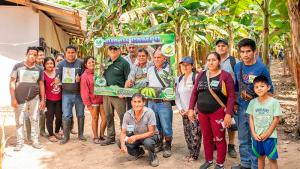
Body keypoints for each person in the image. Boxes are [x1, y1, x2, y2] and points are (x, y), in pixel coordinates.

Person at [188, 52, 235, 169]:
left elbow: (231, 97)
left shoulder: (226, 76)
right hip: (202, 113)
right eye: (208, 60)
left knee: (219, 138)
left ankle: (219, 163)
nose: (211, 62)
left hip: (218, 112)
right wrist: (190, 109)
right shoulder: (201, 75)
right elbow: (194, 93)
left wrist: (228, 114)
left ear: (219, 61)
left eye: (214, 60)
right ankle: (208, 160)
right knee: (207, 138)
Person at [232, 38, 274, 169]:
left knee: (256, 139)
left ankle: (255, 166)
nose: (245, 54)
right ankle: (245, 164)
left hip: (256, 109)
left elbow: (270, 90)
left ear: (254, 51)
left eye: (248, 51)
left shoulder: (261, 68)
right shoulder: (237, 66)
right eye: (242, 52)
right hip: (241, 107)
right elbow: (236, 87)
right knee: (243, 138)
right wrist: (234, 102)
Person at [10, 46, 45, 151]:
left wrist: (42, 99)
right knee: (19, 121)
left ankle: (35, 141)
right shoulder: (18, 66)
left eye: (35, 54)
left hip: (34, 99)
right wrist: (13, 99)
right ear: (26, 54)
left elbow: (41, 84)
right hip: (19, 99)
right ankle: (19, 143)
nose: (33, 56)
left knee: (35, 120)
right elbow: (12, 82)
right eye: (31, 54)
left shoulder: (39, 69)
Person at [247, 75, 281, 169]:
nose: (259, 89)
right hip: (257, 137)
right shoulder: (252, 102)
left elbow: (276, 119)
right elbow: (251, 118)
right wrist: (253, 133)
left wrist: (267, 133)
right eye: (256, 87)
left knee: (272, 159)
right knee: (260, 157)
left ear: (268, 87)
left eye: (262, 86)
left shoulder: (274, 102)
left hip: (270, 137)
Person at [55, 45, 86, 144]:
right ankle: (66, 136)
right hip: (66, 94)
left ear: (76, 53)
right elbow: (58, 78)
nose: (71, 54)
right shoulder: (61, 64)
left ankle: (80, 134)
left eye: (73, 52)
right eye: (68, 52)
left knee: (80, 114)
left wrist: (80, 79)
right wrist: (57, 80)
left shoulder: (80, 63)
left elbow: (86, 76)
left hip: (79, 94)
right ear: (65, 53)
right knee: (66, 115)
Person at [101, 44, 130, 146]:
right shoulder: (105, 62)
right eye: (111, 48)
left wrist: (124, 92)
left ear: (119, 50)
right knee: (108, 116)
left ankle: (124, 137)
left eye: (115, 48)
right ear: (108, 51)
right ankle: (110, 137)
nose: (113, 50)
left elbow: (128, 79)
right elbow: (101, 76)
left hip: (119, 96)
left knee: (123, 117)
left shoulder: (124, 63)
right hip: (106, 94)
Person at [120, 93, 160, 167]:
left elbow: (151, 132)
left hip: (151, 136)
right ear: (131, 102)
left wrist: (135, 137)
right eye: (134, 102)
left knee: (148, 142)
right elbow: (123, 132)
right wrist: (122, 144)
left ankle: (153, 157)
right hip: (136, 135)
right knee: (121, 141)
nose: (137, 104)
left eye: (139, 101)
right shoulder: (127, 114)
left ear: (144, 102)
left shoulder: (149, 112)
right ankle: (138, 152)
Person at [147, 48, 173, 158]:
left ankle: (167, 145)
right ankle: (159, 143)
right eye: (155, 57)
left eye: (159, 57)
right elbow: (148, 84)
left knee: (166, 125)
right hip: (151, 102)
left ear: (164, 58)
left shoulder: (169, 70)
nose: (156, 59)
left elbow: (173, 85)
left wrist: (170, 96)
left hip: (164, 103)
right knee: (156, 125)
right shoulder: (150, 70)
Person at [175, 56, 201, 162]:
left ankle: (195, 155)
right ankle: (191, 152)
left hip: (195, 112)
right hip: (183, 112)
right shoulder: (179, 78)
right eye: (183, 65)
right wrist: (181, 109)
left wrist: (194, 110)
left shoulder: (196, 77)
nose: (185, 67)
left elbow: (200, 95)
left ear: (192, 66)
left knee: (195, 134)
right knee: (187, 134)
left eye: (187, 65)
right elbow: (177, 96)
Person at [215, 39, 239, 158]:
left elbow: (239, 80)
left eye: (223, 46)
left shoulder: (234, 61)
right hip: (214, 98)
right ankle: (218, 142)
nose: (221, 48)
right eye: (218, 46)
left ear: (227, 48)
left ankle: (231, 145)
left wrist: (236, 98)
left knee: (230, 122)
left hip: (230, 97)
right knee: (216, 120)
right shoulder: (212, 60)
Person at [80, 56, 107, 144]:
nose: (92, 63)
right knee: (95, 118)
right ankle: (95, 137)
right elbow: (84, 92)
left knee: (105, 118)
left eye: (93, 62)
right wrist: (88, 104)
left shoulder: (99, 73)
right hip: (93, 102)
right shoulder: (84, 76)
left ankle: (102, 135)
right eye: (89, 62)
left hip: (102, 99)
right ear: (86, 65)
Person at [43, 57, 62, 142]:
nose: (50, 65)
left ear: (54, 64)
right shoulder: (43, 74)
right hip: (49, 100)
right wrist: (42, 100)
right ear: (44, 65)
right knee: (49, 118)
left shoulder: (58, 72)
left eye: (51, 63)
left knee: (59, 117)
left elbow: (63, 83)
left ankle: (57, 131)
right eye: (47, 64)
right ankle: (51, 134)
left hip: (59, 99)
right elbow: (41, 88)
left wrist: (59, 82)